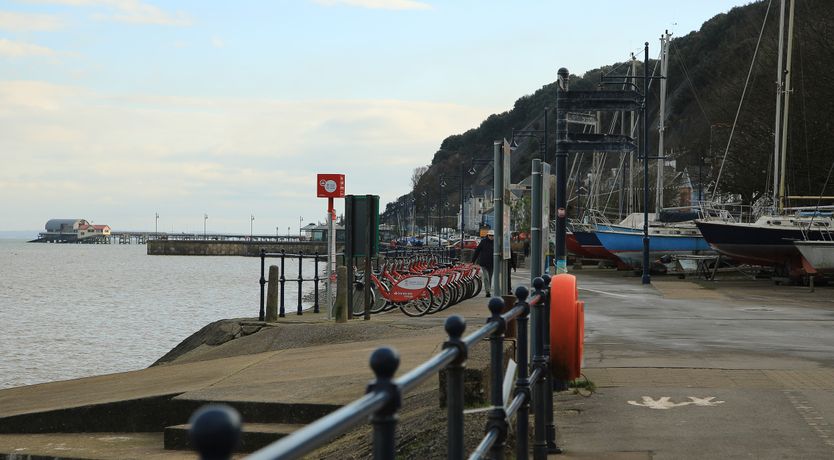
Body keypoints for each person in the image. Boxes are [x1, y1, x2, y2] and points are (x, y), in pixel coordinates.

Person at [472, 230, 494, 297]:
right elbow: (477, 251)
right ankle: (488, 291)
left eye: (492, 235)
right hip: (484, 263)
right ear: (487, 235)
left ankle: (488, 289)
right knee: (486, 277)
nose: (491, 237)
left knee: (490, 277)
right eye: (490, 235)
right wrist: (473, 260)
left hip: (492, 263)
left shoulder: (495, 243)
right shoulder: (483, 242)